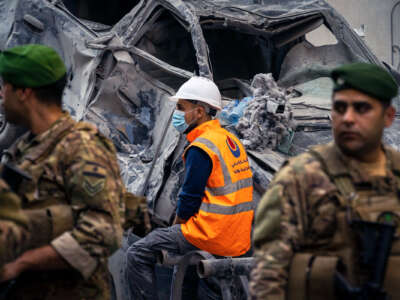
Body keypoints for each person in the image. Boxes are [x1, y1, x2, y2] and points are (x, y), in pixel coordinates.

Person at [250, 62, 400, 300]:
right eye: (340, 108)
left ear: (388, 116)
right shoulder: (300, 177)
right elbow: (269, 271)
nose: (348, 119)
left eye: (361, 109)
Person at [0, 44, 125, 300]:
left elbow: (103, 233)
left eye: (6, 88)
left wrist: (22, 263)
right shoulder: (27, 146)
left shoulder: (83, 148)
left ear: (24, 93)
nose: (2, 96)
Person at [125, 76, 254, 299]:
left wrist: (175, 227)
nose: (176, 113)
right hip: (238, 238)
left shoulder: (201, 147)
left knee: (137, 253)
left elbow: (189, 199)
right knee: (185, 268)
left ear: (199, 111)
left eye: (181, 107)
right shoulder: (228, 139)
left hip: (212, 235)